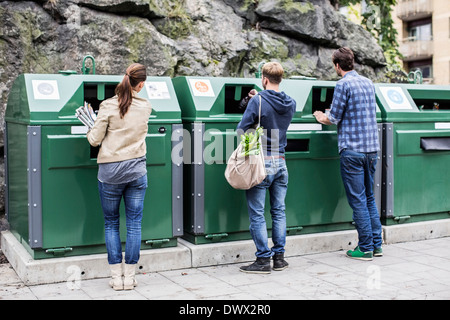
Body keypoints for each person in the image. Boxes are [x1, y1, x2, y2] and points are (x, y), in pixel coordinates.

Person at [87, 63, 152, 290]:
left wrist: (90, 128)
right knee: (134, 224)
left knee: (111, 223)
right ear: (141, 84)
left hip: (110, 173)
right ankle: (130, 277)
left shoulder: (107, 106)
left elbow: (95, 140)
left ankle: (116, 278)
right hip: (136, 172)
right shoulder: (145, 106)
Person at [313, 47, 382, 261]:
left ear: (337, 65)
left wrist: (319, 115)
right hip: (371, 150)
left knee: (358, 200)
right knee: (369, 197)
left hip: (352, 151)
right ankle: (377, 245)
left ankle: (365, 248)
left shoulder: (343, 84)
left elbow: (333, 118)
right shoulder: (368, 83)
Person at [237, 62, 296, 273]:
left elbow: (242, 129)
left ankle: (263, 260)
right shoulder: (291, 103)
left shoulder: (258, 100)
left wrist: (247, 154)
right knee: (279, 211)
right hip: (281, 161)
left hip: (262, 162)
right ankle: (279, 258)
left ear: (264, 79)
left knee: (258, 213)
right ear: (280, 79)